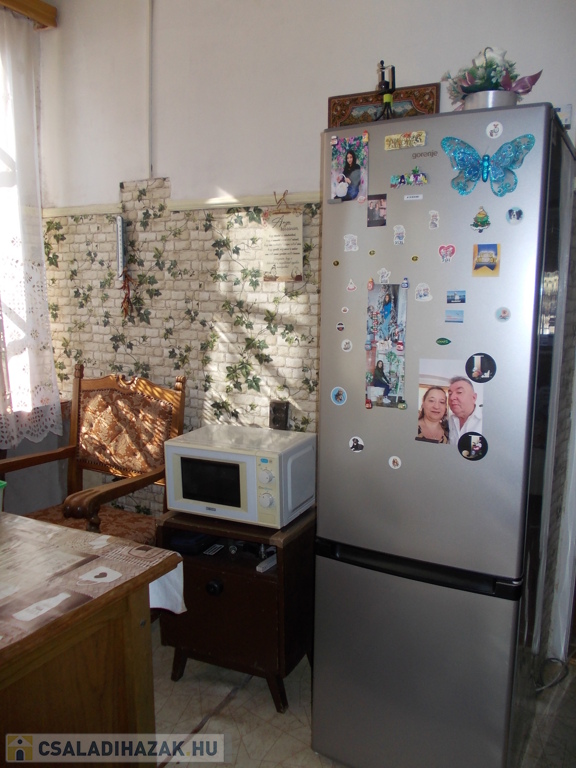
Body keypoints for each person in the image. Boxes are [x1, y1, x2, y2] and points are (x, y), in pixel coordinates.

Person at [447, 376, 482, 444]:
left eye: (459, 392)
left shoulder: (486, 422)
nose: (451, 397)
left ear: (474, 397)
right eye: (450, 394)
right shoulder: (450, 420)